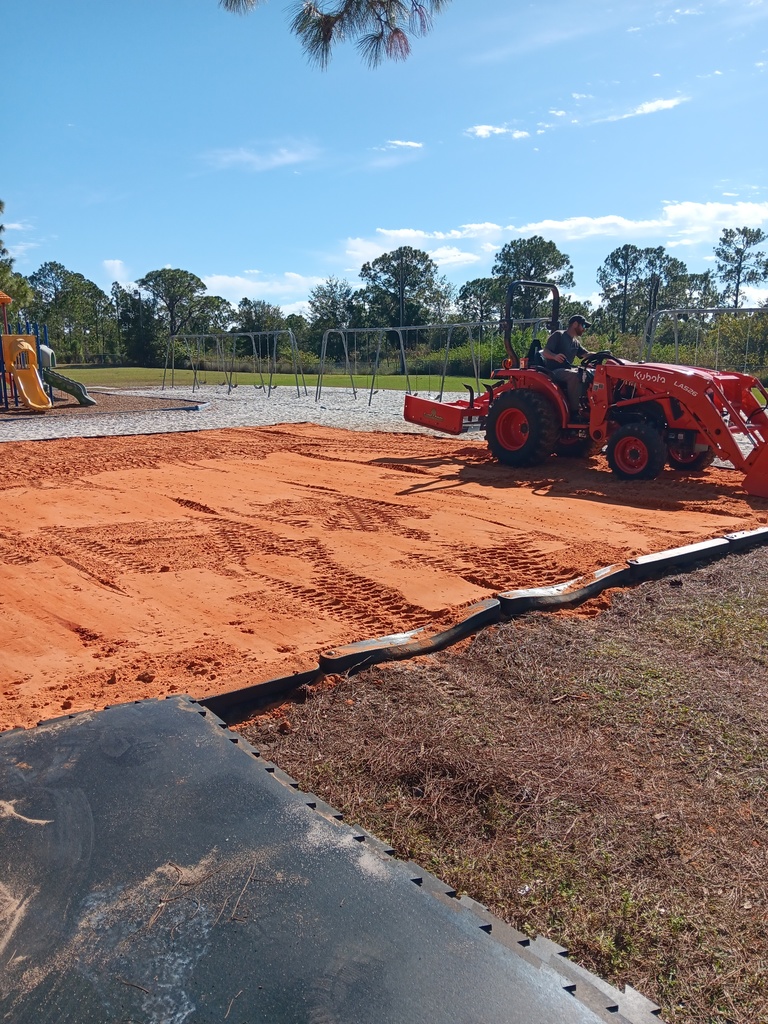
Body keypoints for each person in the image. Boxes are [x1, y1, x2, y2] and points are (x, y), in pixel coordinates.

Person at [541, 314, 595, 419]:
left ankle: (589, 405)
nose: (584, 329)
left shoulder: (575, 342)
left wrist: (601, 354)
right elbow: (545, 352)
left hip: (567, 369)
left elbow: (586, 354)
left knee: (589, 373)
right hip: (554, 371)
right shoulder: (559, 335)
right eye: (583, 326)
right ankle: (575, 412)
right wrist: (555, 356)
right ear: (575, 324)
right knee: (575, 375)